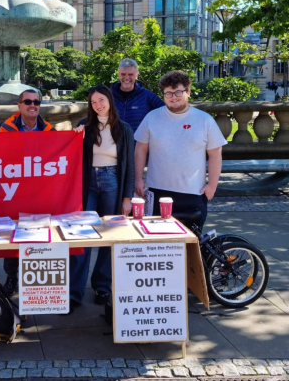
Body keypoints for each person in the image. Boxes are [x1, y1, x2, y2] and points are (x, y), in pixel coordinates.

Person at [134, 70, 226, 231]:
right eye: (168, 93)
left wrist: (212, 185)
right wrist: (138, 179)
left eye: (178, 92)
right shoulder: (152, 117)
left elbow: (215, 154)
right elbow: (140, 150)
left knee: (191, 245)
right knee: (157, 243)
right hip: (157, 191)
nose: (173, 97)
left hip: (192, 192)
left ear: (188, 92)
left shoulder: (205, 120)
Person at [70, 85, 135, 307]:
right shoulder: (84, 126)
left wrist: (127, 198)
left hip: (112, 182)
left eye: (101, 100)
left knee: (109, 236)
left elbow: (130, 166)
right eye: (93, 102)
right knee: (83, 237)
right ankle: (74, 292)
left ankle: (102, 288)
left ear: (109, 100)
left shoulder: (124, 128)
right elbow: (72, 156)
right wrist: (74, 138)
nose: (98, 105)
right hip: (88, 183)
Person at [0, 89, 55, 295]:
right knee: (13, 232)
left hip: (40, 190)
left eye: (36, 102)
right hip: (15, 188)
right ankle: (12, 278)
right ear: (19, 105)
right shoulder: (6, 128)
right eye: (28, 102)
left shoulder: (49, 130)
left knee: (39, 232)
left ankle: (38, 281)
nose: (33, 105)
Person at [110, 58, 164, 132]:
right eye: (123, 74)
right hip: (113, 142)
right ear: (118, 75)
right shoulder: (108, 96)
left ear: (136, 75)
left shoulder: (147, 96)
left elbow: (166, 112)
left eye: (130, 74)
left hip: (138, 143)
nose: (126, 78)